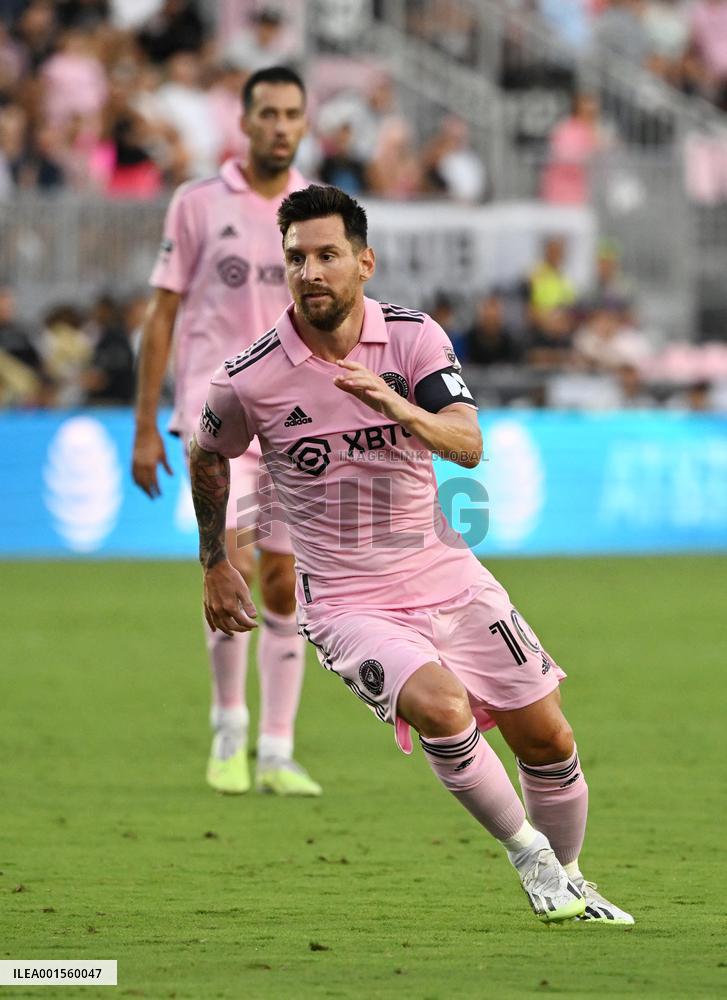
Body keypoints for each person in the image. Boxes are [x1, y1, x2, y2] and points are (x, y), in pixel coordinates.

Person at [190, 184, 634, 925]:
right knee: (440, 706)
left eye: (327, 255)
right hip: (348, 601)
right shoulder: (250, 376)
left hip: (449, 576)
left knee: (549, 738)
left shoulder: (413, 337)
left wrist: (398, 406)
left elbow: (467, 443)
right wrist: (214, 559)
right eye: (295, 258)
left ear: (364, 262)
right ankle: (528, 854)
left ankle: (571, 879)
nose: (310, 272)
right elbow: (208, 455)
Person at [131, 66, 321, 798]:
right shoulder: (198, 203)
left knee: (284, 583)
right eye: (267, 112)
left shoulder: (316, 212)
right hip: (216, 416)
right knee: (230, 564)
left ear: (304, 124)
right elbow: (162, 316)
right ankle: (228, 729)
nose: (279, 125)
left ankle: (276, 751)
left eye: (291, 113)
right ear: (243, 122)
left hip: (294, 419)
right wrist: (145, 424)